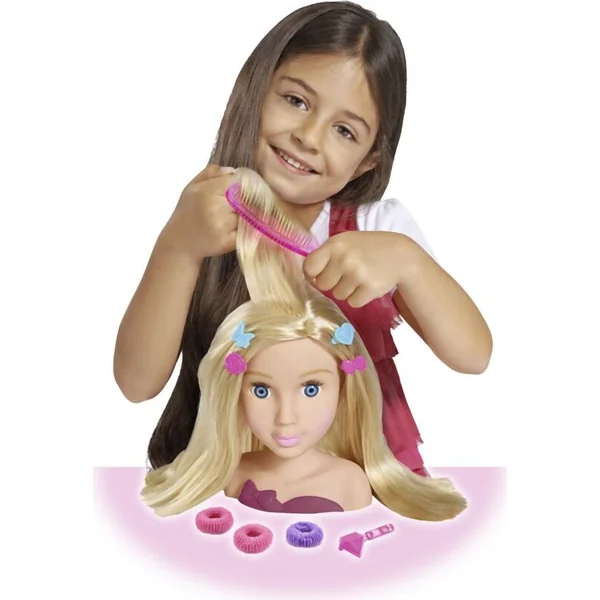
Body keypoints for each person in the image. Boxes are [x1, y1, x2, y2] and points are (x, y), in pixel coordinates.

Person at [114, 1, 492, 475]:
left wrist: (410, 262)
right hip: (235, 484)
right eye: (296, 101)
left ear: (368, 160)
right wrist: (178, 249)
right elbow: (136, 384)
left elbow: (473, 356)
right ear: (255, 89)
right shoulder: (205, 218)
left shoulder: (379, 228)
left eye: (344, 131)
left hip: (366, 484)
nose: (309, 137)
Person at [141, 212, 467, 521]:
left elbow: (472, 355)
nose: (286, 417)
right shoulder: (235, 473)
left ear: (344, 388)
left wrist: (408, 258)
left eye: (311, 389)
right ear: (232, 390)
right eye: (261, 390)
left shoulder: (350, 483)